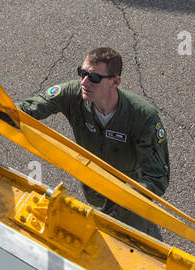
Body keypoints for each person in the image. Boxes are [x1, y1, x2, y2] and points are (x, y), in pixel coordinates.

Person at [16, 47, 169, 238]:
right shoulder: (74, 93)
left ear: (115, 81)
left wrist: (124, 196)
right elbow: (34, 106)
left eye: (94, 78)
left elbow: (157, 178)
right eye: (82, 73)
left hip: (131, 201)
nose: (84, 82)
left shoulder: (143, 117)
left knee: (136, 243)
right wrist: (8, 111)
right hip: (94, 190)